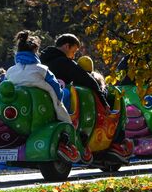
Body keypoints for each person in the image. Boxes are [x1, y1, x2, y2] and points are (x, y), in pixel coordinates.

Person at [40, 34, 133, 162]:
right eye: (73, 51)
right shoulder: (64, 62)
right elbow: (87, 80)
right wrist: (103, 100)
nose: (73, 56)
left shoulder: (40, 61)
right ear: (67, 46)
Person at [6, 31, 72, 124]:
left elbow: (4, 87)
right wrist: (59, 101)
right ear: (35, 52)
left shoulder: (10, 71)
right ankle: (68, 129)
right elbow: (56, 88)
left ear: (17, 53)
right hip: (41, 107)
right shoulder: (42, 69)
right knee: (65, 116)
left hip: (16, 108)